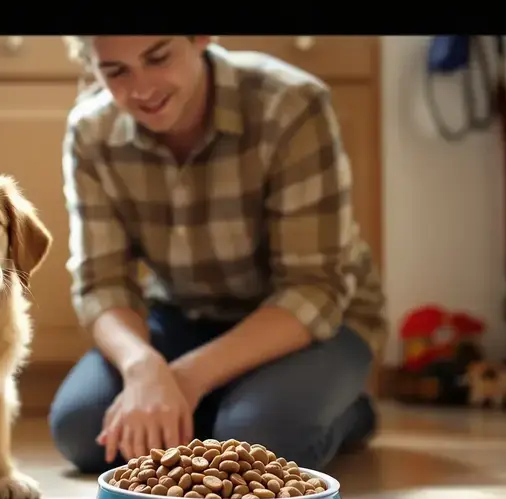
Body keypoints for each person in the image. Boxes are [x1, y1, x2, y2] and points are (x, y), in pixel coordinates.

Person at [49, 36, 387, 475]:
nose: (142, 87)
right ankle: (232, 406)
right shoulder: (91, 131)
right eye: (116, 71)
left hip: (315, 323)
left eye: (158, 57)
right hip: (184, 314)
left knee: (255, 439)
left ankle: (346, 411)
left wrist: (183, 380)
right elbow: (102, 284)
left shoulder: (292, 105)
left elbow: (313, 289)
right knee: (81, 428)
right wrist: (142, 368)